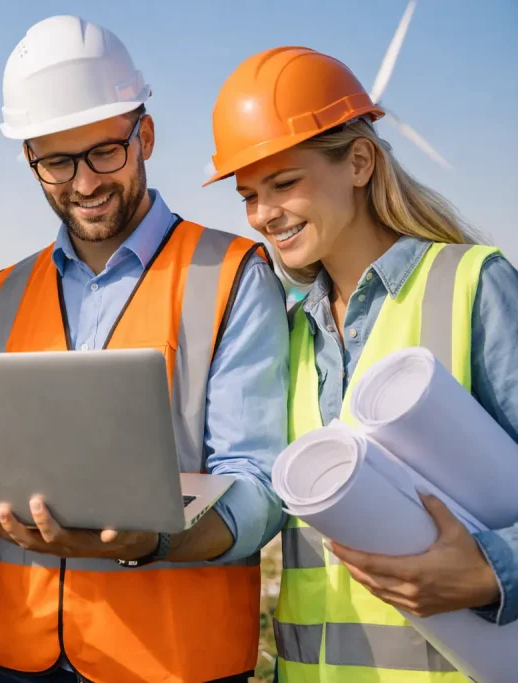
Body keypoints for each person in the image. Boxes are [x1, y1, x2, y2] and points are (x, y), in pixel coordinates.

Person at [0, 15, 290, 683]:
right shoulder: (3, 294)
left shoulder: (232, 274)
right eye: (57, 162)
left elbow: (259, 486)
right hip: (14, 651)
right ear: (30, 160)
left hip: (170, 659)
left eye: (104, 152)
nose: (84, 183)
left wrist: (157, 539)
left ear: (144, 136)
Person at [204, 46, 518, 681]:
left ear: (358, 162)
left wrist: (495, 571)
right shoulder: (289, 333)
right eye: (248, 196)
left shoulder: (472, 285)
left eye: (283, 184)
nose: (263, 215)